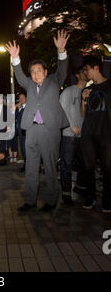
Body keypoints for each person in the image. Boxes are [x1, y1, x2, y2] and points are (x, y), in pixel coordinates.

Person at [5, 29, 70, 212]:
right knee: (31, 167)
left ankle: (51, 201)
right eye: (32, 71)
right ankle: (30, 201)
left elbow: (63, 68)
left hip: (50, 130)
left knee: (49, 167)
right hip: (31, 130)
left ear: (46, 71)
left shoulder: (55, 81)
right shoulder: (30, 84)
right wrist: (16, 59)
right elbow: (19, 76)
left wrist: (61, 51)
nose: (35, 74)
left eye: (38, 70)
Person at [80, 56, 111, 212]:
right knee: (88, 167)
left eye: (87, 69)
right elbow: (83, 115)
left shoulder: (109, 85)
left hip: (106, 134)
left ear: (96, 67)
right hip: (88, 134)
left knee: (108, 167)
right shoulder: (89, 89)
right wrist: (84, 100)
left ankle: (107, 200)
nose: (85, 72)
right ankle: (90, 197)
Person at [59, 66, 88, 206]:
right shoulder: (69, 91)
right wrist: (72, 127)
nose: (85, 73)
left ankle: (80, 188)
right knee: (67, 164)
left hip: (84, 136)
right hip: (69, 135)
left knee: (84, 165)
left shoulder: (88, 92)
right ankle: (66, 194)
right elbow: (62, 111)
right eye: (83, 71)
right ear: (77, 75)